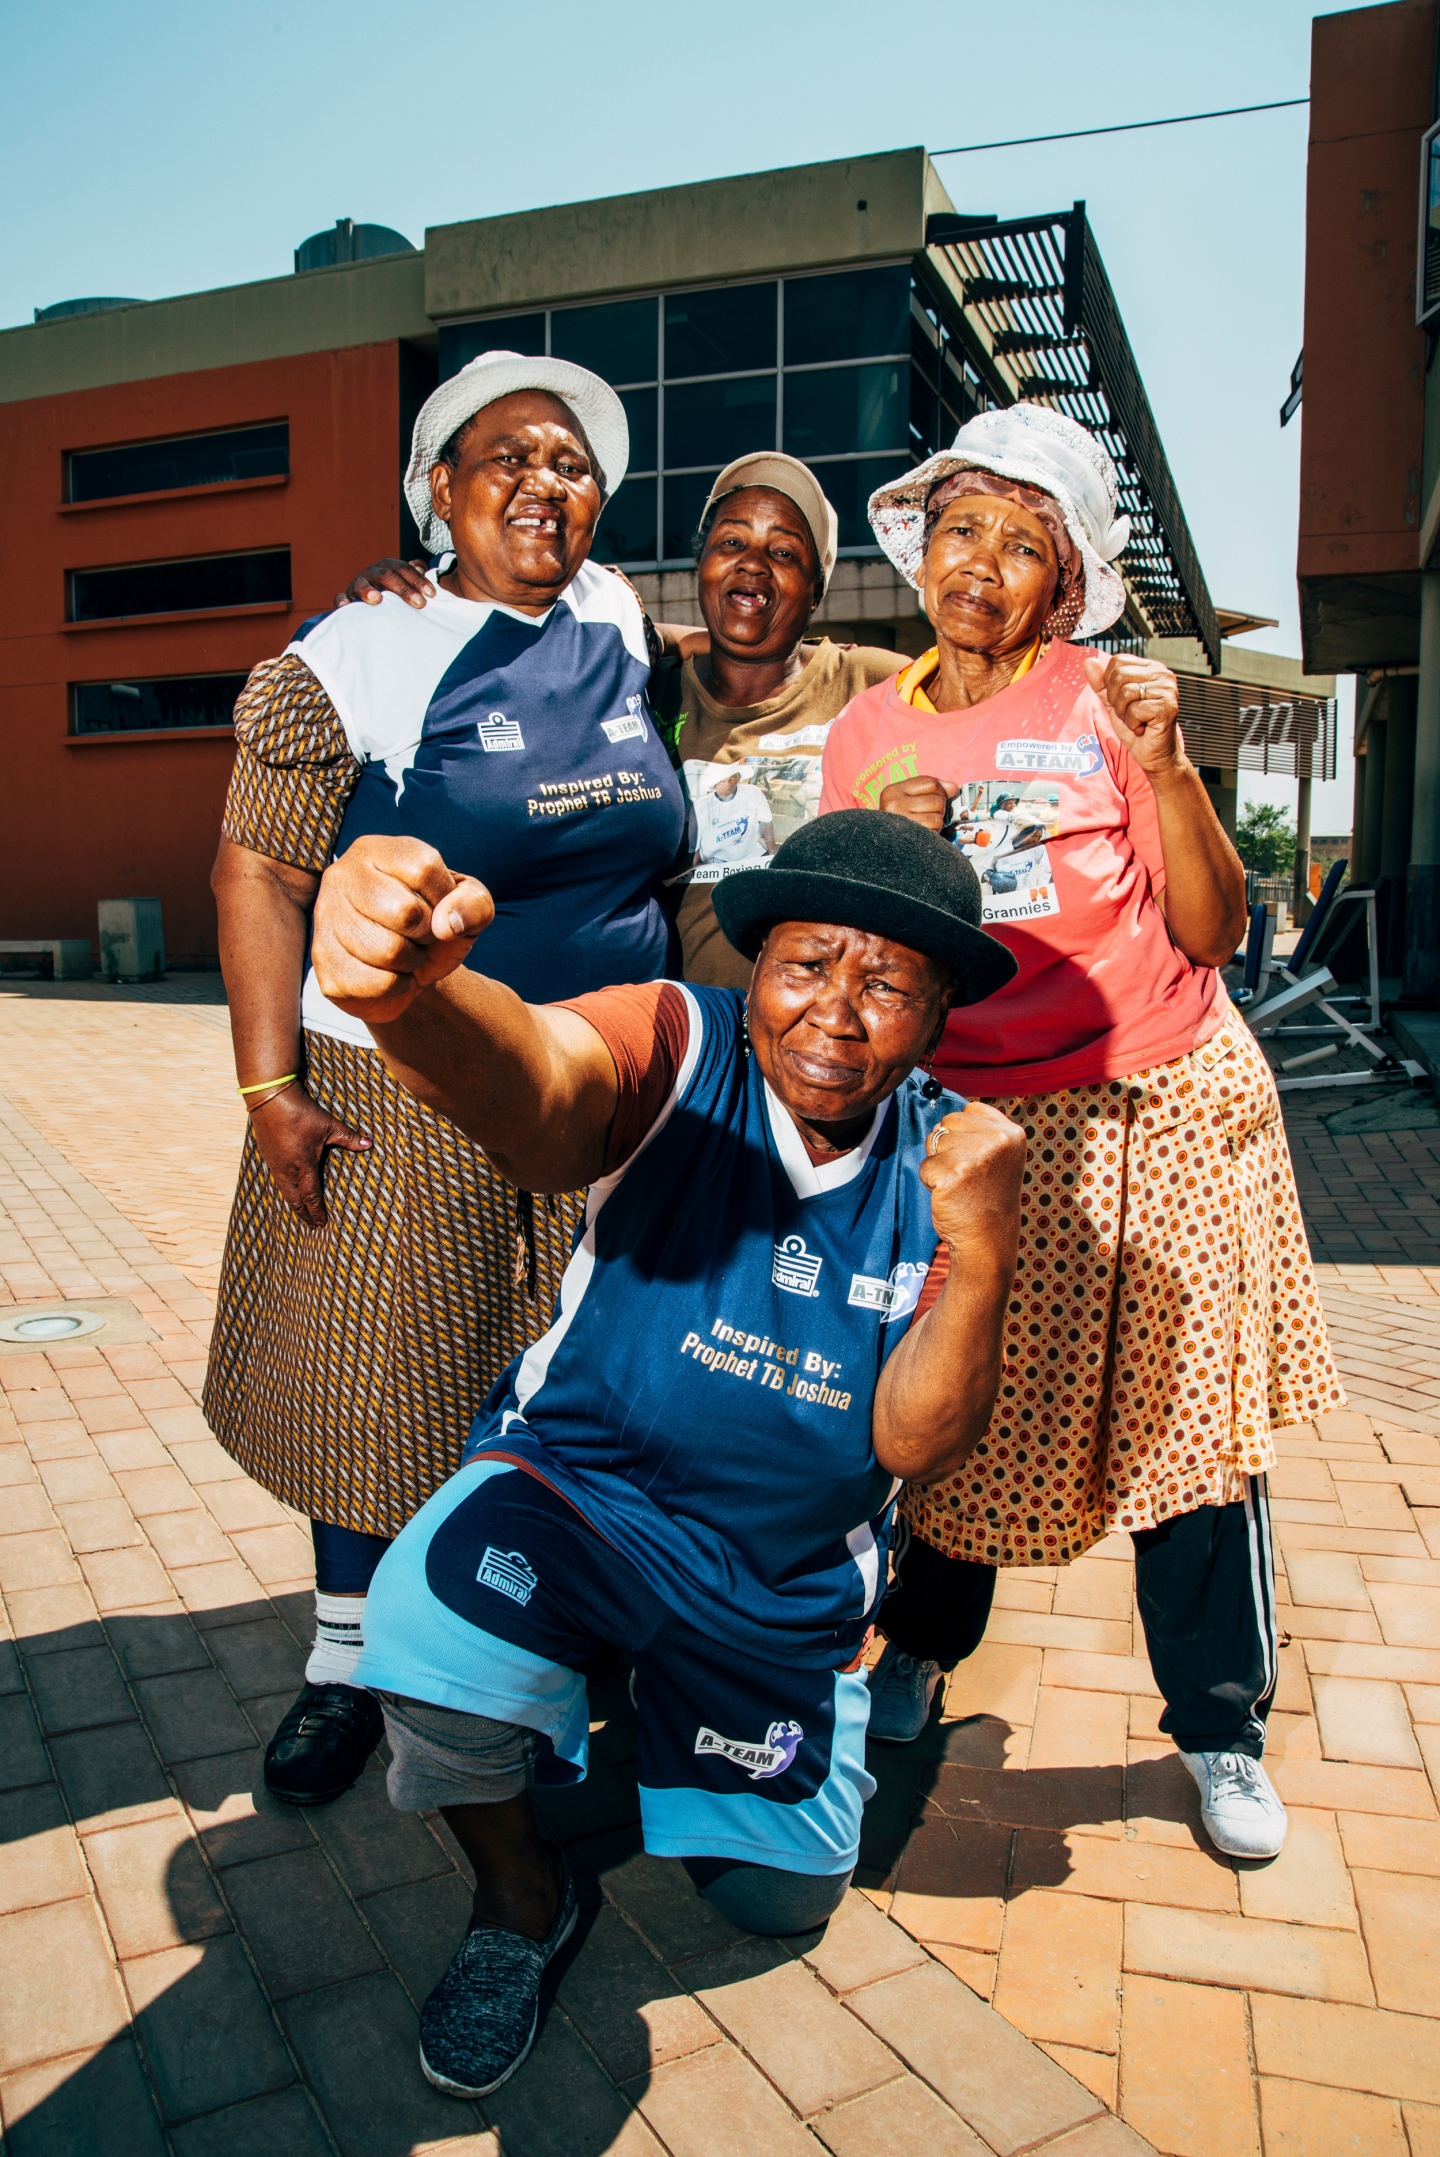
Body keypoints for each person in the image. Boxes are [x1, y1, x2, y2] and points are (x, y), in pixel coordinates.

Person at [305, 809, 1023, 2097]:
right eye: (807, 965)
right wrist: (418, 1002)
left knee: (778, 1901)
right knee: (419, 1624)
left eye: (890, 986)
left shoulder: (956, 1157)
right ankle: (523, 1899)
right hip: (579, 1496)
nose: (837, 1015)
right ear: (755, 970)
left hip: (777, 1575)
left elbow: (918, 1440)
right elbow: (540, 1088)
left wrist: (985, 1254)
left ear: (940, 1016)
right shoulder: (683, 1043)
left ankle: (657, 1696)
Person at [821, 403, 1343, 1860]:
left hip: (1165, 1100)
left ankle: (1222, 1728)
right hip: (984, 1124)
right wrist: (897, 855)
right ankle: (919, 1651)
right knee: (962, 1421)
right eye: (960, 525)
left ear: (1064, 581)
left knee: (1193, 1438)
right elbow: (858, 950)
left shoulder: (1114, 698)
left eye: (1022, 541)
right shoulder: (869, 729)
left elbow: (1215, 926)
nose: (981, 562)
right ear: (920, 546)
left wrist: (1168, 767)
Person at [205, 351, 687, 1809]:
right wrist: (269, 1084)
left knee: (572, 1389)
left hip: (605, 1087)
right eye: (509, 459)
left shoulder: (619, 619)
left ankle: (541, 1634)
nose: (546, 485)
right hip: (403, 1099)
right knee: (382, 1395)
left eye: (573, 463)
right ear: (438, 492)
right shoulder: (357, 656)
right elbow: (253, 873)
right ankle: (347, 1662)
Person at [343, 450, 905, 986]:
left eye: (784, 553)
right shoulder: (640, 687)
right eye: (730, 541)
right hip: (678, 1029)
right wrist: (429, 587)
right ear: (702, 564)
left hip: (813, 1030)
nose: (752, 564)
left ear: (816, 590)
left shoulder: (869, 682)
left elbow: (974, 703)